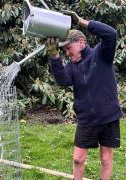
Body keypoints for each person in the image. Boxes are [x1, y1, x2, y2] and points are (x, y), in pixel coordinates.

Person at [45, 10, 123, 180]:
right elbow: (63, 80)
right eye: (63, 50)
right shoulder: (72, 66)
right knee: (78, 159)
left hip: (108, 117)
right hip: (86, 119)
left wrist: (81, 21)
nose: (66, 52)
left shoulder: (101, 54)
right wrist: (54, 56)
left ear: (81, 42)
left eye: (67, 48)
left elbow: (111, 34)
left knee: (105, 159)